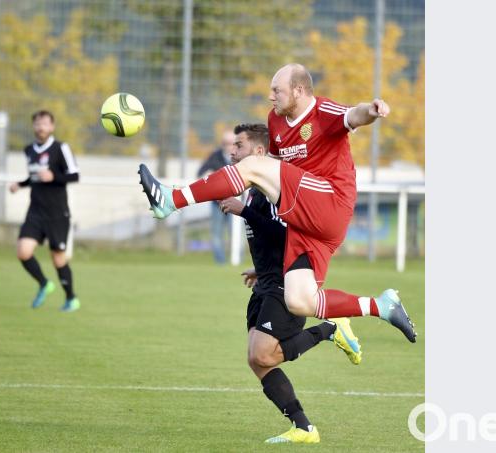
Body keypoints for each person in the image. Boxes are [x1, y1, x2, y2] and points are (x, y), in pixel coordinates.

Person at [138, 63, 417, 342]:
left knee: (253, 166)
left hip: (330, 200)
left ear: (298, 90)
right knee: (300, 301)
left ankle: (171, 200)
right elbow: (276, 168)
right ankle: (382, 306)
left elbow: (353, 114)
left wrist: (371, 109)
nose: (271, 96)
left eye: (277, 90)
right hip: (306, 221)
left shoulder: (322, 112)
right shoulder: (275, 120)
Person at [218, 123, 362, 444]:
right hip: (266, 281)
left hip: (287, 284)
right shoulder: (256, 189)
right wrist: (261, 268)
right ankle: (304, 428)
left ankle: (331, 329)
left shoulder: (276, 189)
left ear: (258, 152)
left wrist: (244, 212)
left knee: (265, 354)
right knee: (257, 360)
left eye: (238, 145)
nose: (232, 151)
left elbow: (289, 236)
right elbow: (274, 240)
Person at [9, 110, 81, 312]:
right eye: (37, 124)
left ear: (52, 127)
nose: (41, 127)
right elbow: (34, 177)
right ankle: (43, 283)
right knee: (23, 252)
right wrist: (20, 184)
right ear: (33, 127)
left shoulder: (61, 148)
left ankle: (71, 298)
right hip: (35, 211)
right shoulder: (28, 150)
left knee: (58, 258)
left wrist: (54, 176)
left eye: (45, 124)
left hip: (57, 213)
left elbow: (75, 176)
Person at [197, 132, 235, 264]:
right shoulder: (215, 156)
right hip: (217, 203)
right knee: (217, 234)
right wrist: (210, 176)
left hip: (236, 203)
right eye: (225, 143)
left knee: (237, 234)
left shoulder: (240, 156)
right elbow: (201, 172)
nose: (228, 146)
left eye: (231, 143)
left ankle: (237, 260)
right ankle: (220, 262)